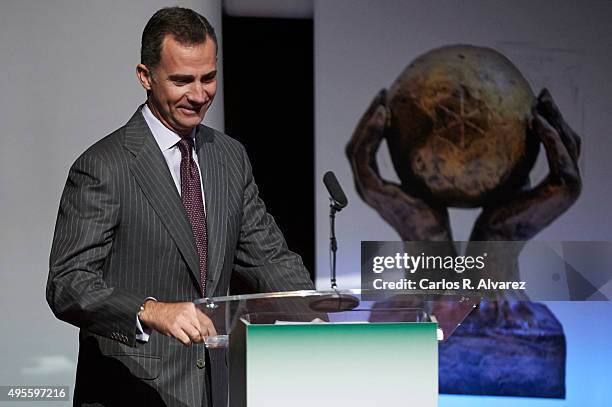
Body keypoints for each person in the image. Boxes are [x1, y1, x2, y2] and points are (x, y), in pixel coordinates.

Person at [46, 7, 313, 407]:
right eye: (182, 80)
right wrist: (151, 311)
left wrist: (321, 323)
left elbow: (269, 259)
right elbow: (68, 283)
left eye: (209, 77)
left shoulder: (229, 157)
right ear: (146, 77)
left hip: (216, 390)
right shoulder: (104, 166)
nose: (199, 94)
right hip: (131, 393)